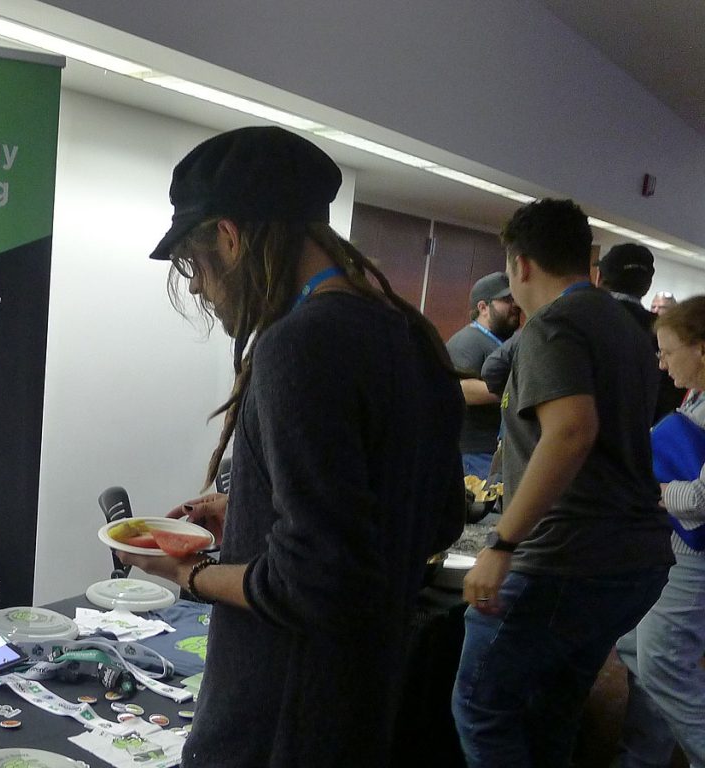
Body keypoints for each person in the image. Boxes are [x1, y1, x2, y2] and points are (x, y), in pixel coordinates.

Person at [119, 125, 466, 767]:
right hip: (366, 699)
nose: (198, 287)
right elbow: (434, 514)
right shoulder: (412, 335)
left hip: (279, 720)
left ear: (229, 235)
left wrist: (186, 574)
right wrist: (251, 506)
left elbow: (315, 580)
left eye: (194, 264)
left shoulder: (297, 345)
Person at [450, 199, 674, 768]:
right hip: (633, 558)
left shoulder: (554, 325)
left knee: (482, 708)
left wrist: (502, 544)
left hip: (564, 558)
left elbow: (571, 432)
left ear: (520, 264)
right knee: (555, 706)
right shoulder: (628, 329)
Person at [614, 296, 705, 768]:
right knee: (633, 642)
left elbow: (701, 500)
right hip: (678, 545)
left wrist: (654, 487)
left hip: (695, 551)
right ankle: (644, 757)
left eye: (668, 352)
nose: (662, 364)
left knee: (664, 665)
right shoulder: (699, 395)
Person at [595, 243, 684, 420]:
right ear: (648, 285)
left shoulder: (582, 319)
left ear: (599, 278)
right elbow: (671, 395)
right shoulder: (666, 332)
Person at [445, 272, 521, 479]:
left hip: (496, 452)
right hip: (475, 455)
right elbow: (461, 389)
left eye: (515, 298)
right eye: (506, 300)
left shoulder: (506, 341)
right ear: (483, 307)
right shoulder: (468, 341)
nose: (514, 304)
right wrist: (518, 390)